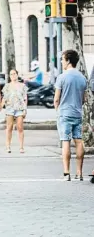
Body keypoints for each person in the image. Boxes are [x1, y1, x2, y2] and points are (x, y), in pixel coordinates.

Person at [54, 50, 87, 181]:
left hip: (64, 114)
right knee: (79, 141)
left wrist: (58, 109)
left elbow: (56, 99)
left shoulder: (62, 77)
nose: (61, 62)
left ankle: (66, 173)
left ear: (68, 61)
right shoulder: (82, 78)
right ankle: (79, 173)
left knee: (66, 141)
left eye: (62, 59)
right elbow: (84, 99)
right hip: (78, 114)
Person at [1, 69, 28, 153]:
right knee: (9, 127)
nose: (12, 76)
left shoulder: (22, 86)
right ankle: (8, 146)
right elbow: (4, 98)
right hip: (10, 108)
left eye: (14, 74)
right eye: (11, 74)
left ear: (17, 75)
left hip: (19, 108)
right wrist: (1, 106)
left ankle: (21, 147)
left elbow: (25, 98)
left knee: (20, 127)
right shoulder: (7, 86)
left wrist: (25, 109)